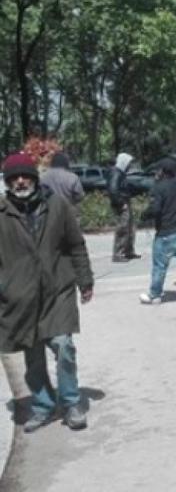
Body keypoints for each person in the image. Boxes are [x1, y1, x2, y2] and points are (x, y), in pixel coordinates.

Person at [0, 153, 94, 433]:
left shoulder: (57, 206)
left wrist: (85, 280)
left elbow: (76, 244)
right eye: (14, 177)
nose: (20, 181)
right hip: (20, 297)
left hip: (57, 290)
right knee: (33, 355)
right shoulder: (2, 213)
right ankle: (42, 405)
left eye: (25, 175)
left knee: (64, 346)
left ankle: (71, 403)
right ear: (7, 182)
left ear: (34, 178)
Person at [139, 158, 176, 308]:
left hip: (166, 232)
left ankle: (155, 295)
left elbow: (156, 209)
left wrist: (145, 215)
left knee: (160, 265)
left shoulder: (159, 187)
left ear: (162, 171)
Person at [108, 152, 139, 262]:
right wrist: (121, 203)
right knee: (123, 228)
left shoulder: (121, 173)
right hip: (121, 204)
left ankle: (128, 251)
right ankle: (118, 253)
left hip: (125, 201)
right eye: (129, 163)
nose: (130, 165)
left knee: (130, 228)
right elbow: (113, 190)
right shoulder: (116, 173)